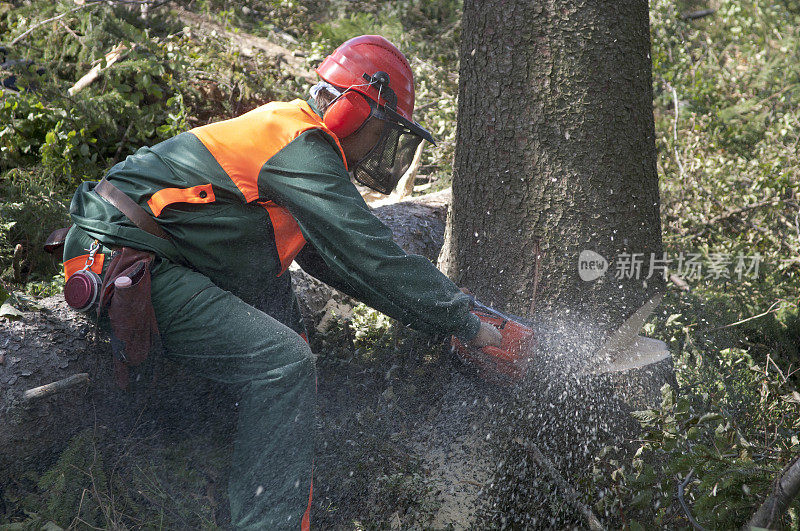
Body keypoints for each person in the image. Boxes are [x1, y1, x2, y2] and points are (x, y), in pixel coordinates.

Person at [61, 35, 501, 530]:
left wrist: (448, 316)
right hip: (127, 258)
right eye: (382, 130)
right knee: (283, 362)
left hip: (166, 257)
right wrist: (470, 325)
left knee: (291, 333)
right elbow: (369, 252)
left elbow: (343, 265)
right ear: (352, 111)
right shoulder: (301, 144)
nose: (381, 146)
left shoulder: (295, 145)